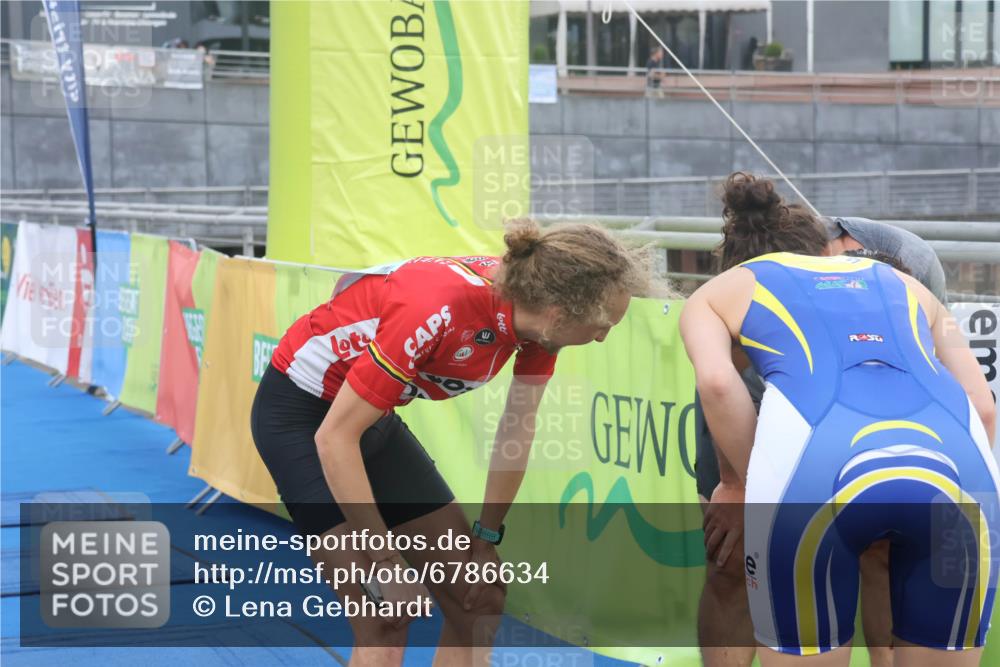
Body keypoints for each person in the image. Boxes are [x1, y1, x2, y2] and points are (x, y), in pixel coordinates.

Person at [250, 219, 650, 667]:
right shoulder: (437, 306)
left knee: (478, 598)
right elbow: (334, 438)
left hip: (367, 419)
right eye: (602, 325)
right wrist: (385, 562)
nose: (602, 337)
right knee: (385, 616)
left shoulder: (538, 321)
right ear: (561, 313)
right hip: (302, 423)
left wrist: (485, 540)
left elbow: (517, 427)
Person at [681, 173, 997, 665]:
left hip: (814, 470)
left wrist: (752, 479)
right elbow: (982, 409)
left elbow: (720, 386)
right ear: (821, 248)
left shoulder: (719, 292)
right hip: (957, 477)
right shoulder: (904, 279)